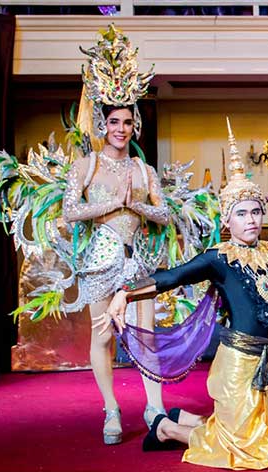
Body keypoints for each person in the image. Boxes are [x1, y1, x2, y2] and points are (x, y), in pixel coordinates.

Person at [107, 120, 268, 470]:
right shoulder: (219, 257)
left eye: (256, 211)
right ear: (228, 220)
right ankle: (167, 428)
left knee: (267, 441)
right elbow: (171, 276)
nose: (252, 220)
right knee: (249, 452)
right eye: (241, 213)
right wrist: (125, 293)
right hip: (238, 363)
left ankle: (188, 421)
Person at [62, 25, 168, 444]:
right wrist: (113, 203)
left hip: (139, 258)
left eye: (127, 121)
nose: (121, 129)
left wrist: (137, 204)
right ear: (103, 125)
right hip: (99, 259)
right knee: (103, 337)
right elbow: (71, 213)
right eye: (113, 122)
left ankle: (155, 406)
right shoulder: (85, 166)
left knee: (147, 337)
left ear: (135, 123)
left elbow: (164, 215)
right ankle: (111, 410)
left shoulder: (144, 170)